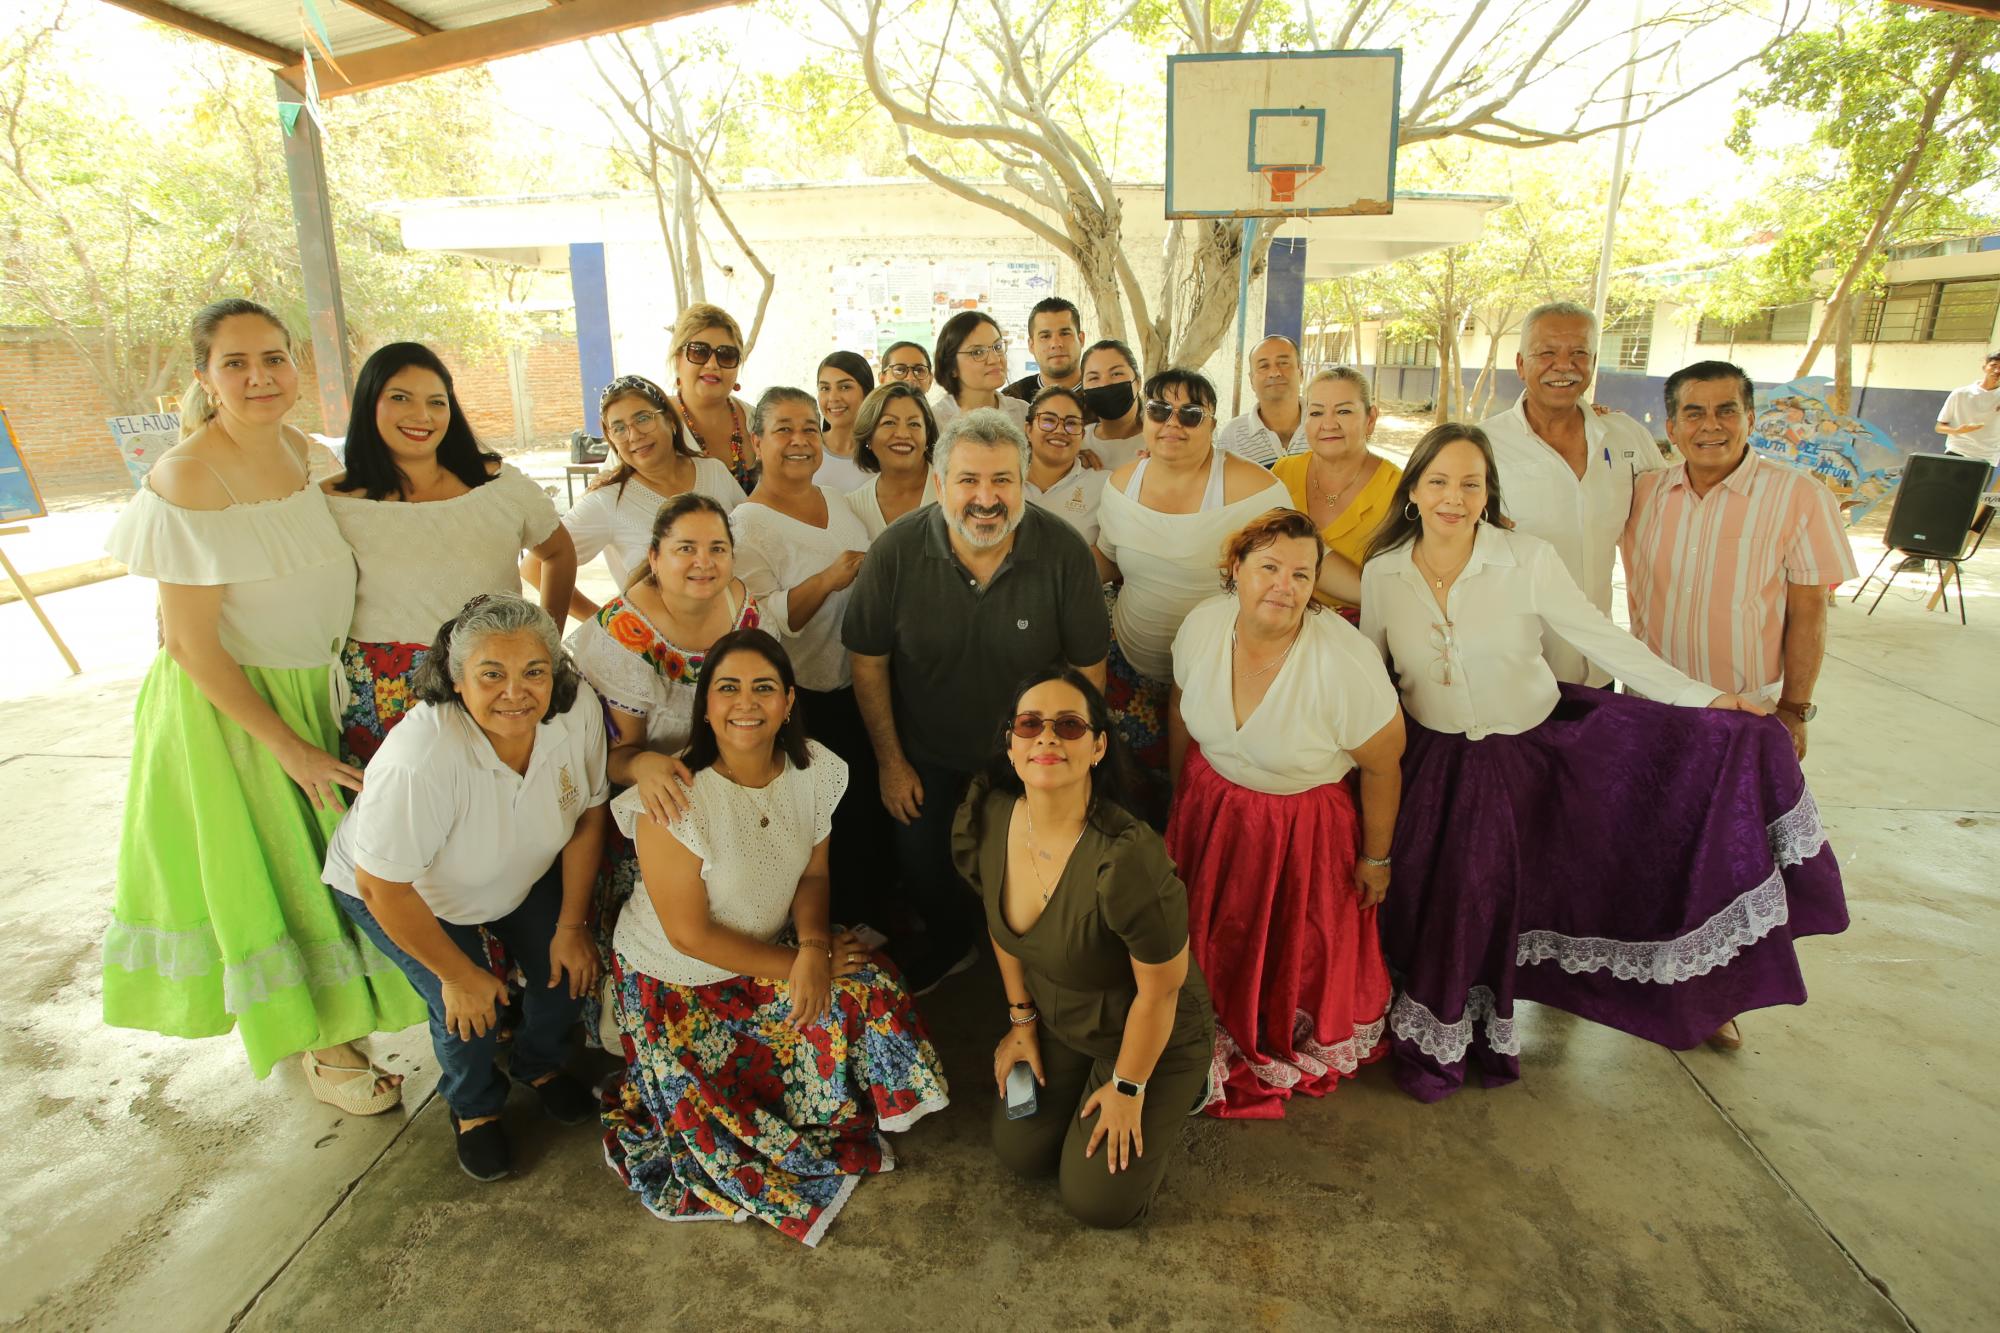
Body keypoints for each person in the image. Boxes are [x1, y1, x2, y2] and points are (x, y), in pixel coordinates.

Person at [1359, 424, 1847, 1102]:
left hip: (1524, 759)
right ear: (1412, 491)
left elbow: (1600, 638)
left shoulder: (1525, 557)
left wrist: (1709, 699)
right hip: (1434, 763)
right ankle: (1437, 1026)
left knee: (1510, 891)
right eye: (1439, 480)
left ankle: (1489, 1027)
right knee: (1446, 903)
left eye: (1471, 482)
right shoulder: (1383, 572)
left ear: (1488, 492)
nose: (1455, 496)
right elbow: (1371, 672)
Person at [102, 298, 424, 1117]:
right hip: (236, 711)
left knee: (342, 861)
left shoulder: (310, 454)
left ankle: (344, 1013)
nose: (258, 377)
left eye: (273, 358)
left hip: (317, 684)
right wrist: (287, 744)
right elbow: (191, 643)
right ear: (206, 379)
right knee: (281, 868)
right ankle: (320, 1040)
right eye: (237, 363)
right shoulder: (185, 478)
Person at [602, 628, 949, 1246]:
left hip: (777, 945)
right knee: (721, 1120)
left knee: (868, 982)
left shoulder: (811, 769)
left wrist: (813, 948)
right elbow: (689, 935)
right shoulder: (674, 797)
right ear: (705, 705)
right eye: (727, 688)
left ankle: (832, 1096)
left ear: (788, 701)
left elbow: (815, 873)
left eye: (764, 688)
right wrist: (794, 964)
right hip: (676, 982)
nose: (746, 703)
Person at [325, 594, 608, 1181]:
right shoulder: (422, 756)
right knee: (470, 1011)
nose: (516, 692)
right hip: (415, 895)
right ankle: (475, 1107)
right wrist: (457, 975)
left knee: (566, 975)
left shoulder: (574, 710)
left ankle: (540, 1064)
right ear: (456, 681)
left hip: (519, 873)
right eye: (491, 675)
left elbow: (588, 815)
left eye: (534, 671)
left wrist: (573, 926)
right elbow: (382, 885)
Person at [1622, 360, 1857, 1047]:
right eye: (1694, 412)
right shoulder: (1643, 493)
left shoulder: (1796, 496)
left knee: (1729, 860)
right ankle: (1643, 975)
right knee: (1652, 847)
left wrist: (1797, 709)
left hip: (1743, 717)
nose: (1711, 426)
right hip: (1653, 709)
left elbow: (1809, 612)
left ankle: (1714, 1000)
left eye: (1727, 410)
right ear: (1670, 426)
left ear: (1750, 418)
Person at [843, 408, 1111, 992]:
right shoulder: (895, 552)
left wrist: (1074, 763)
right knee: (925, 869)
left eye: (1002, 481)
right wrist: (891, 762)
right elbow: (868, 661)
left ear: (1022, 483)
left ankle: (1032, 972)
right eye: (968, 480)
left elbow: (1088, 669)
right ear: (939, 484)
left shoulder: (1063, 552)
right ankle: (951, 945)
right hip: (926, 756)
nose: (985, 499)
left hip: (1029, 757)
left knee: (1036, 872)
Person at [953, 668, 1213, 1229]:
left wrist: (1126, 1086)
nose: (1046, 737)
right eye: (1030, 724)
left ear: (1098, 746)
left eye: (1069, 725)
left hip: (1149, 1030)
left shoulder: (1126, 858)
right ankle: (1080, 1091)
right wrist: (1022, 1022)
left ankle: (1183, 1086)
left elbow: (1161, 993)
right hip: (1060, 1015)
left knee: (1097, 1202)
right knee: (1020, 1152)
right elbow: (1005, 935)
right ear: (1011, 742)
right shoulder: (994, 816)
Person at [1164, 510, 1401, 1118]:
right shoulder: (1203, 625)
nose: (1284, 586)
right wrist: (1182, 797)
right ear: (1235, 571)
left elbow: (1382, 765)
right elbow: (1179, 702)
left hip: (1301, 832)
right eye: (1269, 567)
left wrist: (1376, 857)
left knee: (1289, 944)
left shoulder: (1343, 660)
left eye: (1302, 574)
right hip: (1212, 810)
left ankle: (1270, 1032)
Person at [324, 341, 576, 766]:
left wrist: (542, 646)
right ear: (370, 404)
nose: (421, 416)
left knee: (502, 811)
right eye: (400, 398)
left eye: (436, 402)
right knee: (405, 821)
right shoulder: (335, 500)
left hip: (496, 683)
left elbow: (558, 554)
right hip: (384, 693)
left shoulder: (497, 485)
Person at [565, 493, 758, 1017]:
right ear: (654, 557)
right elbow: (613, 754)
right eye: (686, 548)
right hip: (636, 788)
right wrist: (645, 765)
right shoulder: (625, 633)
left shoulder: (741, 605)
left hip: (717, 775)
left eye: (718, 548)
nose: (704, 562)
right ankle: (642, 1006)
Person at [1094, 368, 1289, 822]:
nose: (1172, 423)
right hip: (1131, 670)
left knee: (1198, 798)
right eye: (1159, 410)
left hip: (1217, 679)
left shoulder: (1253, 488)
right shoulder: (1122, 482)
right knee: (1130, 795)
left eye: (1191, 414)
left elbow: (1298, 562)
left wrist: (1376, 585)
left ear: (1213, 424)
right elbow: (1105, 559)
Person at [730, 387, 888, 926]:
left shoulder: (839, 501)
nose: (799, 441)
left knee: (867, 808)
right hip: (807, 696)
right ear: (757, 442)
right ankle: (829, 932)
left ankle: (872, 922)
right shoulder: (747, 523)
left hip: (860, 679)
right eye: (783, 430)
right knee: (825, 821)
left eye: (809, 428)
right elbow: (760, 620)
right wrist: (827, 580)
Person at [1481, 301, 1667, 685]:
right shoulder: (1482, 445)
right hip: (1515, 672)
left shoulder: (1625, 435)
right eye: (1546, 353)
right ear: (1520, 365)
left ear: (1594, 362)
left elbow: (1669, 521)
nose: (1563, 365)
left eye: (1578, 353)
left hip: (1600, 666)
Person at [532, 375, 744, 620]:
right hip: (659, 653)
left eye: (643, 418)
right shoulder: (607, 502)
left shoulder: (713, 471)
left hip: (731, 635)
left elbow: (751, 539)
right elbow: (535, 566)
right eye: (619, 428)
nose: (634, 435)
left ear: (670, 421)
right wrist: (604, 621)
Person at [1268, 367, 1403, 618]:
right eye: (1316, 412)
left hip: (1361, 633)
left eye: (1343, 411)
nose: (1328, 424)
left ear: (1370, 419)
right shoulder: (1283, 473)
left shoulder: (1399, 489)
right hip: (1280, 619)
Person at [668, 303, 758, 489]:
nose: (712, 364)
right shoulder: (652, 421)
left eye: (726, 355)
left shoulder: (758, 421)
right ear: (678, 359)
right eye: (699, 351)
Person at [845, 381, 939, 541]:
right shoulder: (853, 507)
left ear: (927, 436)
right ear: (868, 435)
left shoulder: (956, 491)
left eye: (914, 424)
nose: (903, 434)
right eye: (889, 423)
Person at [1024, 385, 1109, 547]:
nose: (1061, 430)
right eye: (1048, 420)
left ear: (1082, 435)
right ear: (1028, 430)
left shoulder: (1104, 485)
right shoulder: (1002, 480)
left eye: (1071, 423)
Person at [932, 310, 1031, 431]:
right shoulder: (935, 421)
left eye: (998, 347)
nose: (994, 359)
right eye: (977, 352)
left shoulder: (1024, 413)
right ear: (952, 367)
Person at [1214, 335, 1306, 466]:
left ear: (1301, 372)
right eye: (1264, 366)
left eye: (1283, 363)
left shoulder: (1325, 426)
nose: (1274, 373)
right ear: (1251, 380)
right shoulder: (1232, 436)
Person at [1934, 349, 2000, 485]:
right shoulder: (1960, 394)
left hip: (1987, 458)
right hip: (1957, 452)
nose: (1997, 371)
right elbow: (1939, 427)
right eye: (1994, 366)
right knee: (1944, 496)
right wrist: (1957, 431)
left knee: (1969, 502)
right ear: (1984, 368)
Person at [1077, 339, 1145, 471]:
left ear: (1138, 382)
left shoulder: (1160, 438)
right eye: (1094, 378)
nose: (1105, 384)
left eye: (1116, 374)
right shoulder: (1079, 442)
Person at [815, 350, 875, 492]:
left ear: (867, 393)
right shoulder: (807, 448)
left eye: (845, 387)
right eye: (825, 388)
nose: (833, 397)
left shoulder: (882, 453)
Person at [1004, 297, 1085, 401]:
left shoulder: (1102, 392)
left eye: (1065, 334)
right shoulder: (1012, 399)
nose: (1056, 344)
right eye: (1045, 336)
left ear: (1081, 339)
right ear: (1031, 345)